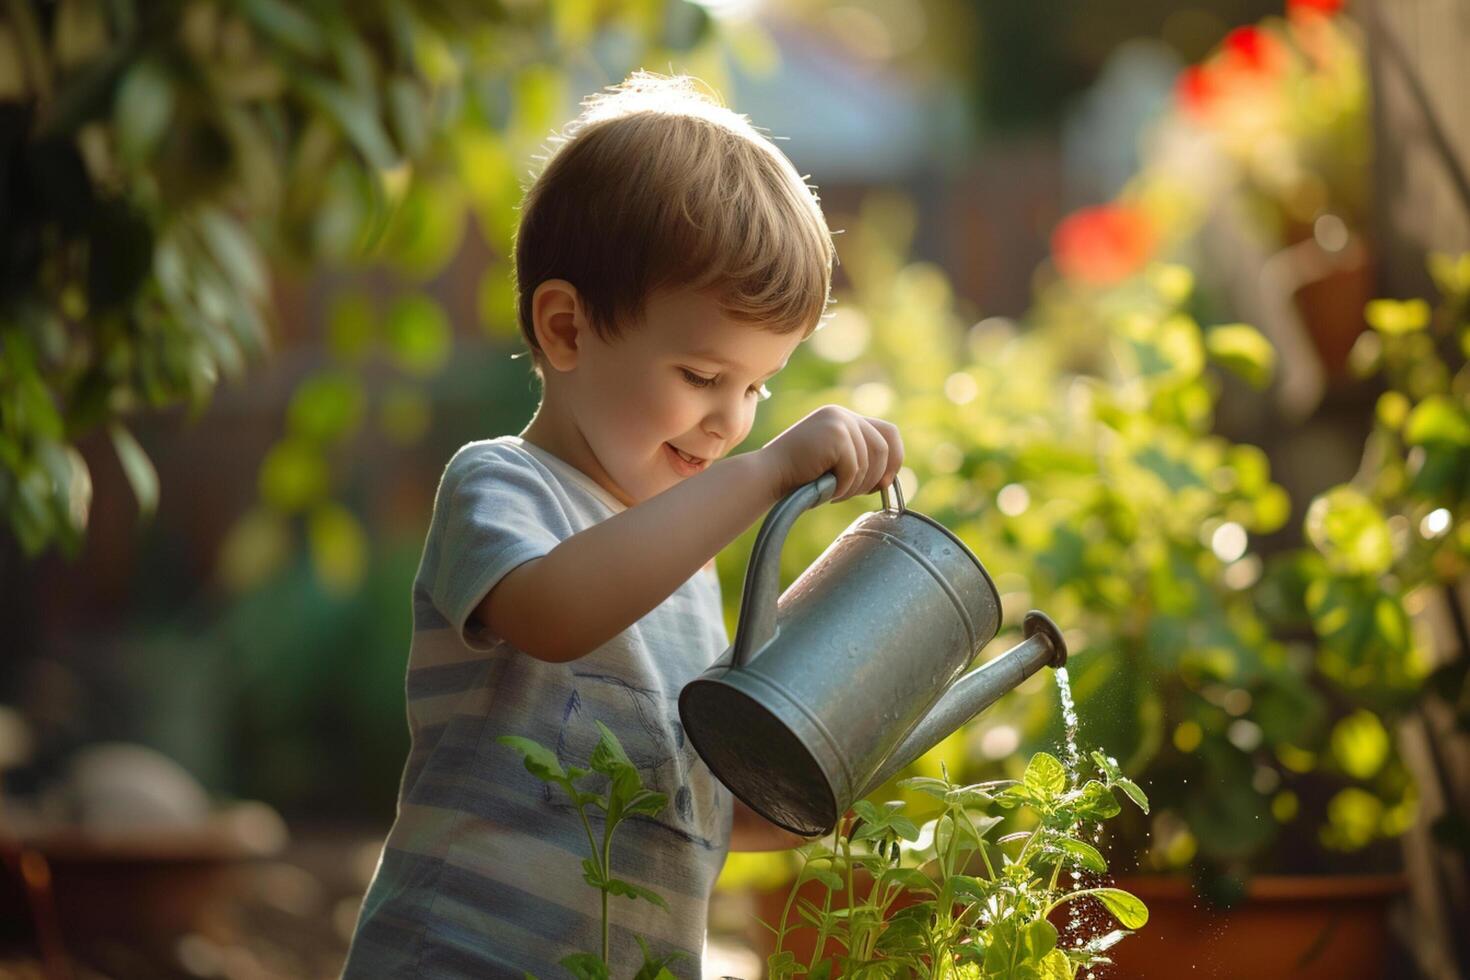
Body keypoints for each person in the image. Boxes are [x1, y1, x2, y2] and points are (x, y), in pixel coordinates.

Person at [341, 70, 904, 978]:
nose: (732, 422)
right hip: (461, 958)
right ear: (566, 330)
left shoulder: (678, 567)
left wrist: (829, 746)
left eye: (758, 387)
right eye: (701, 376)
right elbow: (558, 617)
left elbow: (708, 808)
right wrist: (766, 476)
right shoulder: (501, 486)